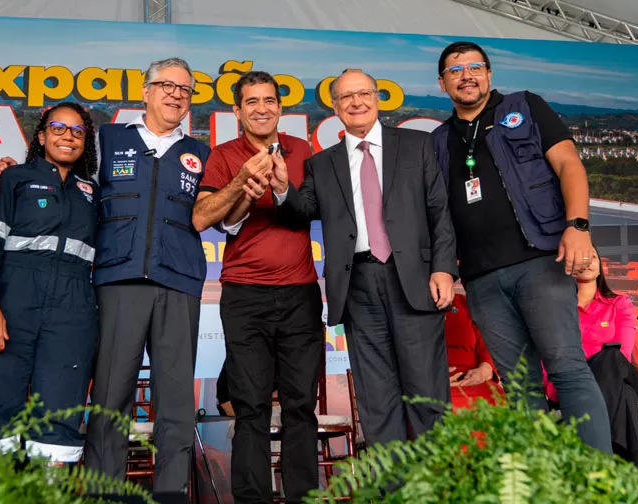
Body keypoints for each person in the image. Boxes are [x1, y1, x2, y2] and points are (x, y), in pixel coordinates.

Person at [430, 41, 611, 453]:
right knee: (520, 386)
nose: (466, 75)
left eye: (475, 67)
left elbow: (568, 164)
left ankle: (602, 483)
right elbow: (437, 212)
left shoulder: (525, 107)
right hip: (481, 279)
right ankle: (543, 486)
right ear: (442, 84)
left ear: (489, 74)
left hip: (540, 263)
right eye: (455, 71)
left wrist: (578, 226)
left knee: (567, 368)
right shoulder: (439, 140)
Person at [273, 70, 458, 448]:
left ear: (377, 98)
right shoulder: (321, 164)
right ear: (336, 107)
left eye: (363, 94)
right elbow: (303, 209)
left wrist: (443, 268)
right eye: (346, 97)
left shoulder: (416, 145)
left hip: (415, 279)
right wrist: (281, 187)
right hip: (357, 285)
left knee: (427, 393)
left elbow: (440, 210)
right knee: (377, 399)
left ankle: (439, 487)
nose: (356, 102)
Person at [192, 71, 322, 504]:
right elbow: (207, 215)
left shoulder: (302, 150)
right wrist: (244, 185)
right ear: (237, 111)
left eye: (269, 100)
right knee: (251, 409)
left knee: (302, 407)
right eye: (251, 101)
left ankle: (304, 495)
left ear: (280, 108)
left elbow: (309, 211)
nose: (261, 108)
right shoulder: (223, 154)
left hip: (302, 292)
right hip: (245, 295)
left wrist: (282, 186)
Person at [84, 58, 211, 493]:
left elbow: (219, 216)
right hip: (118, 281)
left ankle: (171, 490)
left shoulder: (201, 152)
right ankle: (104, 489)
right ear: (145, 90)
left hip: (178, 284)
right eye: (166, 85)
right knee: (111, 394)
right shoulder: (106, 139)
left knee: (175, 398)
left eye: (185, 89)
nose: (176, 94)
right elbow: (73, 191)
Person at [0, 102, 99, 465]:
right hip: (13, 299)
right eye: (58, 128)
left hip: (72, 308)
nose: (67, 137)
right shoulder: (14, 179)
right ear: (41, 136)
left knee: (60, 409)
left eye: (77, 131)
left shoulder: (92, 191)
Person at [544, 248, 638, 468]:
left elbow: (623, 355)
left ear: (601, 265)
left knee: (610, 356)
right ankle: (625, 471)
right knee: (625, 397)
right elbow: (549, 357)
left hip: (617, 374)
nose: (588, 262)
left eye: (593, 258)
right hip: (573, 385)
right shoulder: (556, 310)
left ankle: (597, 462)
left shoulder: (620, 304)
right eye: (582, 257)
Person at [444, 294, 503, 409]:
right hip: (431, 384)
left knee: (498, 404)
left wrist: (483, 370)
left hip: (472, 379)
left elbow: (486, 346)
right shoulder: (410, 306)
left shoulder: (465, 302)